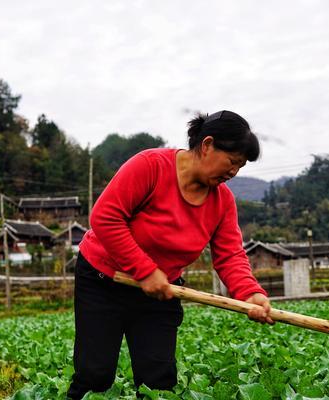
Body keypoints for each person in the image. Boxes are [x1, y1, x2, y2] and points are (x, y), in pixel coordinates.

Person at [67, 110, 274, 399]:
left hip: (161, 292)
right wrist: (145, 270)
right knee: (95, 374)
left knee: (158, 379)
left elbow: (230, 255)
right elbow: (105, 217)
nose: (233, 173)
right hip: (104, 280)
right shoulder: (150, 166)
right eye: (233, 162)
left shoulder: (222, 200)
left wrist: (249, 293)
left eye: (239, 167)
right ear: (207, 145)